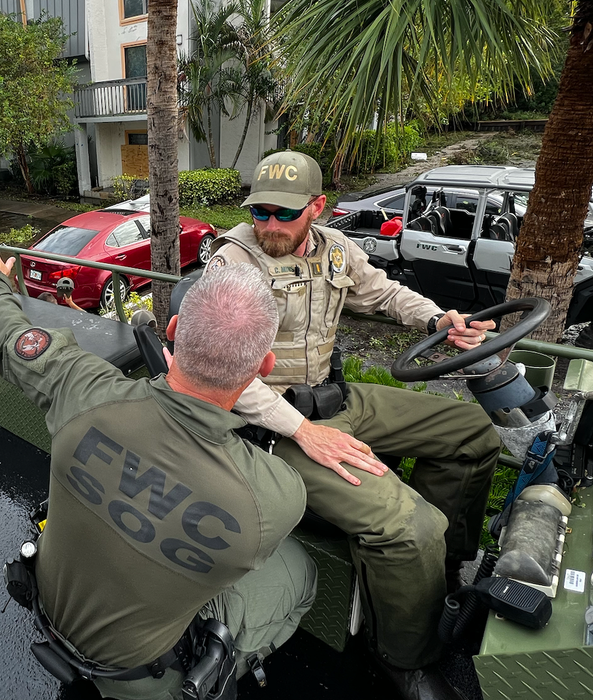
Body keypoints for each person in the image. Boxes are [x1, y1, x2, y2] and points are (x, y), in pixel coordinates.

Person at [0, 230, 317, 700]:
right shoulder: (276, 495)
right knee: (300, 571)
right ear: (264, 366)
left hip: (46, 606)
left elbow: (10, 338)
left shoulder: (82, 389)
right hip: (139, 678)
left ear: (173, 331)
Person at [205, 150, 501, 700]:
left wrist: (438, 318)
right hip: (269, 425)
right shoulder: (234, 264)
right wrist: (302, 431)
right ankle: (406, 658)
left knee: (471, 432)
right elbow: (225, 374)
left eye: (283, 213)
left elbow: (383, 292)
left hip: (333, 397)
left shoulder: (336, 250)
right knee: (408, 527)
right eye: (260, 212)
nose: (268, 224)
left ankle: (441, 569)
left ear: (316, 207)